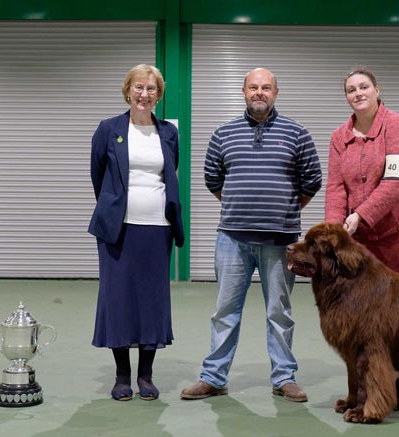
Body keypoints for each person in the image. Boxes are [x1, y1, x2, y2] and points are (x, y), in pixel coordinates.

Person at [180, 68, 322, 403]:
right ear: (244, 91)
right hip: (232, 239)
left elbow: (312, 180)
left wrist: (283, 210)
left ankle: (284, 377)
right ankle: (214, 377)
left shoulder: (297, 133)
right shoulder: (223, 134)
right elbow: (213, 179)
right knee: (225, 311)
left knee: (280, 312)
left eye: (266, 87)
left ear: (276, 92)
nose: (260, 93)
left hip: (281, 242)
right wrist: (242, 207)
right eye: (254, 87)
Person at [325, 65, 399, 411]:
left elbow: (397, 181)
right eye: (351, 90)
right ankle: (367, 383)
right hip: (363, 235)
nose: (357, 93)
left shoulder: (398, 125)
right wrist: (332, 233)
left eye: (363, 87)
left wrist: (361, 215)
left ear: (376, 90)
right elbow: (335, 187)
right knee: (366, 311)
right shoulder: (338, 137)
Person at [88, 64, 184, 401]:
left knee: (151, 300)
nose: (145, 94)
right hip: (117, 230)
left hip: (158, 228)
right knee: (118, 299)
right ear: (128, 90)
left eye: (152, 88)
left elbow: (169, 174)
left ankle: (146, 375)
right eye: (139, 87)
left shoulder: (169, 132)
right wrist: (115, 208)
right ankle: (122, 376)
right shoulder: (108, 128)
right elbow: (98, 175)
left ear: (159, 94)